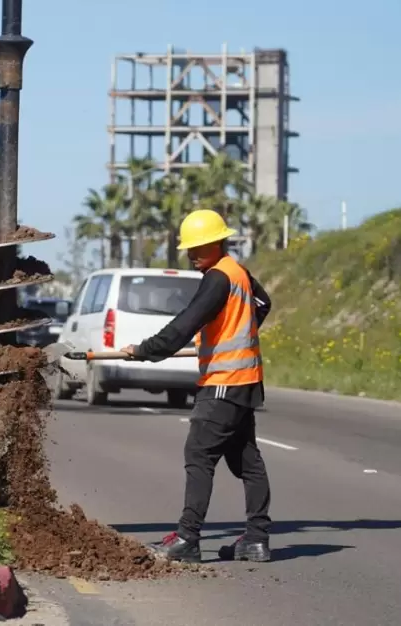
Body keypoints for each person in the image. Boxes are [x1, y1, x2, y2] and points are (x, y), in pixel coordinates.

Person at [120, 209, 273, 564]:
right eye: (189, 247)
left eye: (199, 246)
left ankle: (188, 538)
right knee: (247, 462)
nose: (192, 254)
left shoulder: (218, 278)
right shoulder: (238, 273)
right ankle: (257, 539)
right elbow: (263, 304)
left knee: (199, 456)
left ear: (219, 242)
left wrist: (145, 351)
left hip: (222, 384)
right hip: (245, 383)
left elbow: (184, 324)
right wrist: (238, 332)